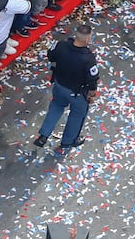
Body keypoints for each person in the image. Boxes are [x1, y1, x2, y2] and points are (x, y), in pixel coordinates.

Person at [34, 23, 100, 152]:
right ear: (87, 39)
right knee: (77, 115)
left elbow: (50, 56)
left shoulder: (61, 46)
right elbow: (93, 79)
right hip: (76, 92)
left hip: (59, 86)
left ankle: (43, 136)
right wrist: (92, 94)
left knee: (56, 107)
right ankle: (68, 142)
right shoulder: (88, 58)